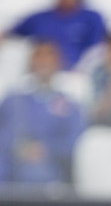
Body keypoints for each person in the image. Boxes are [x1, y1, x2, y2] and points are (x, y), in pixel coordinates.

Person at [0, 40, 87, 187]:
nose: (43, 61)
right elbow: (4, 134)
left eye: (49, 56)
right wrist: (18, 148)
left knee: (37, 173)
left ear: (58, 62)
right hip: (10, 167)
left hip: (50, 171)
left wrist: (47, 149)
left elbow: (74, 141)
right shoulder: (13, 101)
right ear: (30, 62)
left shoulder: (70, 105)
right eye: (38, 56)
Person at [6, 0, 107, 71]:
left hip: (78, 76)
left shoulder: (93, 19)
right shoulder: (39, 19)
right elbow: (9, 34)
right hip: (43, 78)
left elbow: (99, 53)